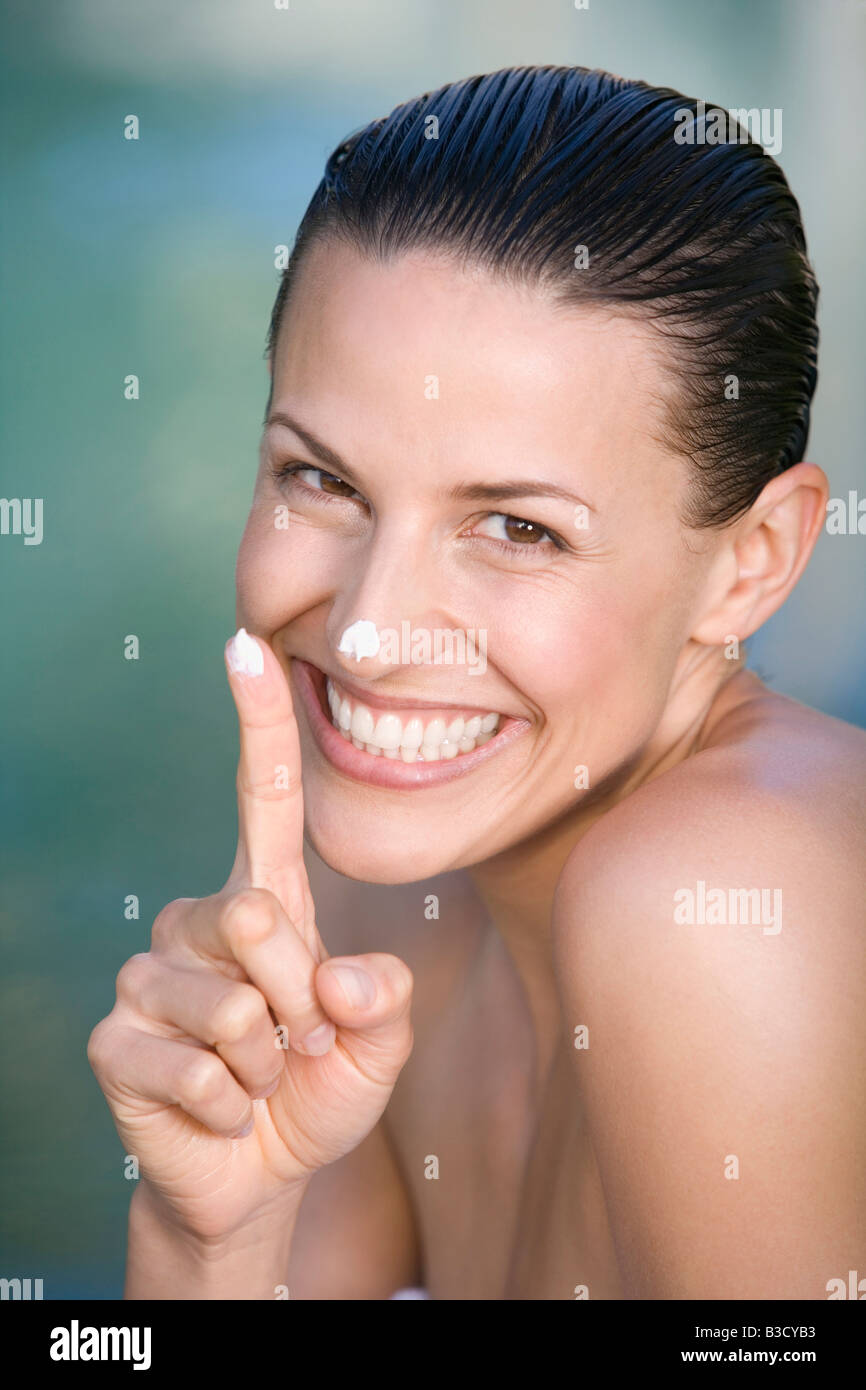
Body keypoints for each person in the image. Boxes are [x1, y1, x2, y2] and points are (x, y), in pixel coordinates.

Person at [88, 65, 866, 1300]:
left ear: (748, 564)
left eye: (516, 529)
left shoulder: (716, 901)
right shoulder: (387, 899)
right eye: (322, 480)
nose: (365, 635)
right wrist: (210, 1238)